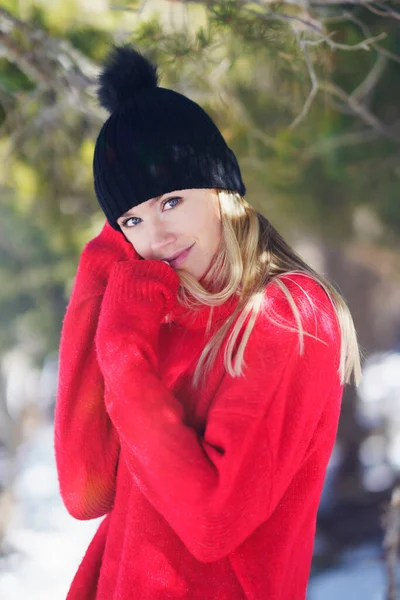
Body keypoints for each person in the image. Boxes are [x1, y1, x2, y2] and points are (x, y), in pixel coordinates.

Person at [54, 44, 362, 600]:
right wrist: (103, 266)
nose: (158, 238)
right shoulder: (161, 311)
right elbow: (86, 489)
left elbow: (211, 523)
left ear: (222, 187)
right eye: (133, 219)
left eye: (172, 200)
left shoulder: (289, 313)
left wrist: (125, 360)